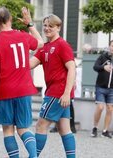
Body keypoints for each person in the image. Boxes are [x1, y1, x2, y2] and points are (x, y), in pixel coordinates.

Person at [0, 7, 43, 158]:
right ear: (10, 19)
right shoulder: (23, 36)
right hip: (24, 90)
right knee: (23, 129)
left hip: (4, 91)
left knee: (8, 130)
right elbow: (41, 43)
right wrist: (29, 24)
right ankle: (33, 155)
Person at [30, 14, 76, 158]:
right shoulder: (45, 47)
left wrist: (67, 93)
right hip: (57, 93)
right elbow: (29, 65)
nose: (47, 28)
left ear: (58, 28)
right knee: (64, 129)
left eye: (51, 26)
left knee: (40, 125)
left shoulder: (62, 45)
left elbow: (72, 68)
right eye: (45, 25)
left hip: (58, 93)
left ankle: (33, 156)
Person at [91, 40, 113, 139]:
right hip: (100, 87)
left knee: (110, 109)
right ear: (109, 46)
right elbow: (95, 67)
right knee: (100, 107)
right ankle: (95, 127)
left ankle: (105, 131)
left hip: (111, 89)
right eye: (112, 46)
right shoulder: (103, 57)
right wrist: (104, 67)